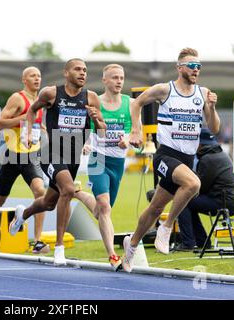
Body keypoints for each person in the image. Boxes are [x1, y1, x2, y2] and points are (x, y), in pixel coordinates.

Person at [122, 48, 221, 272]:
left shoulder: (202, 93)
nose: (196, 70)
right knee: (193, 184)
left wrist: (212, 108)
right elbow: (135, 103)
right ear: (180, 68)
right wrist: (136, 131)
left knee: (155, 207)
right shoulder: (165, 89)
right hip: (166, 155)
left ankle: (132, 244)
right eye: (192, 65)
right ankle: (166, 228)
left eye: (199, 66)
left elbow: (214, 128)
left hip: (187, 158)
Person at [8, 58, 106, 266]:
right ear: (66, 72)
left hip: (73, 158)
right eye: (77, 69)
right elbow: (32, 111)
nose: (82, 73)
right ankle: (59, 249)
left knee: (48, 203)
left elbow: (102, 131)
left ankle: (22, 214)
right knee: (69, 190)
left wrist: (97, 119)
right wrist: (27, 133)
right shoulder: (51, 93)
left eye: (85, 70)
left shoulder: (91, 97)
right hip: (50, 152)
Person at [0, 66, 49, 254]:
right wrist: (23, 118)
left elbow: (39, 126)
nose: (37, 78)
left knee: (40, 192)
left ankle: (37, 241)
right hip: (12, 155)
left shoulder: (41, 101)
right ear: (24, 80)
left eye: (39, 75)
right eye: (33, 75)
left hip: (31, 155)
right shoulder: (18, 98)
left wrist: (45, 135)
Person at [73, 64, 133, 271]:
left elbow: (137, 134)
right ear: (105, 80)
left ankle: (79, 194)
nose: (119, 81)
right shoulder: (94, 102)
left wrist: (129, 140)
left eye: (121, 77)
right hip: (98, 159)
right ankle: (113, 256)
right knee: (105, 207)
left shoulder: (130, 103)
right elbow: (82, 129)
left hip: (118, 163)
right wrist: (84, 144)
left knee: (101, 212)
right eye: (114, 77)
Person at [176, 128, 234, 250]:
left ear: (199, 144)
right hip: (230, 200)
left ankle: (189, 243)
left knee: (182, 201)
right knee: (188, 202)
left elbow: (200, 187)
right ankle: (202, 242)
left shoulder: (208, 159)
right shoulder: (220, 155)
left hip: (223, 201)